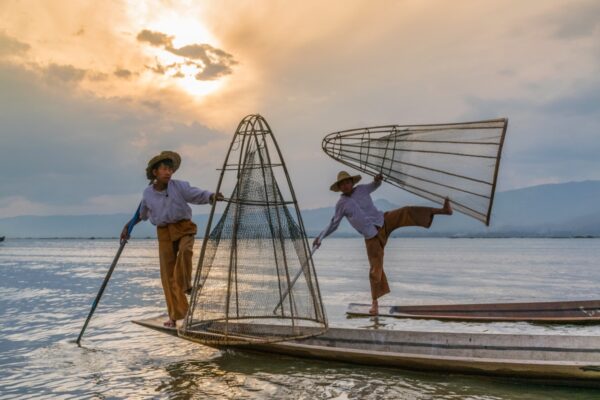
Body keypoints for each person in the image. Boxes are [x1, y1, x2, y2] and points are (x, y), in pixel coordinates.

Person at [312, 170, 452, 315]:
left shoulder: (361, 189)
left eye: (348, 182)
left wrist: (378, 179)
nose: (346, 185)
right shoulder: (341, 204)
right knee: (375, 269)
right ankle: (375, 304)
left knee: (406, 211)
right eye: (343, 184)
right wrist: (320, 237)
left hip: (383, 221)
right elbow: (333, 224)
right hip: (371, 237)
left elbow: (374, 185)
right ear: (340, 187)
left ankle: (443, 211)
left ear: (352, 183)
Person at [120, 151, 223, 327]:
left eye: (170, 169)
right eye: (164, 169)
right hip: (164, 233)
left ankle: (186, 286)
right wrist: (128, 226)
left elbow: (196, 194)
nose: (168, 172)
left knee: (185, 251)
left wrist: (211, 196)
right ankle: (174, 317)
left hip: (183, 228)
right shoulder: (148, 194)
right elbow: (142, 214)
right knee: (168, 276)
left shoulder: (179, 186)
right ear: (155, 173)